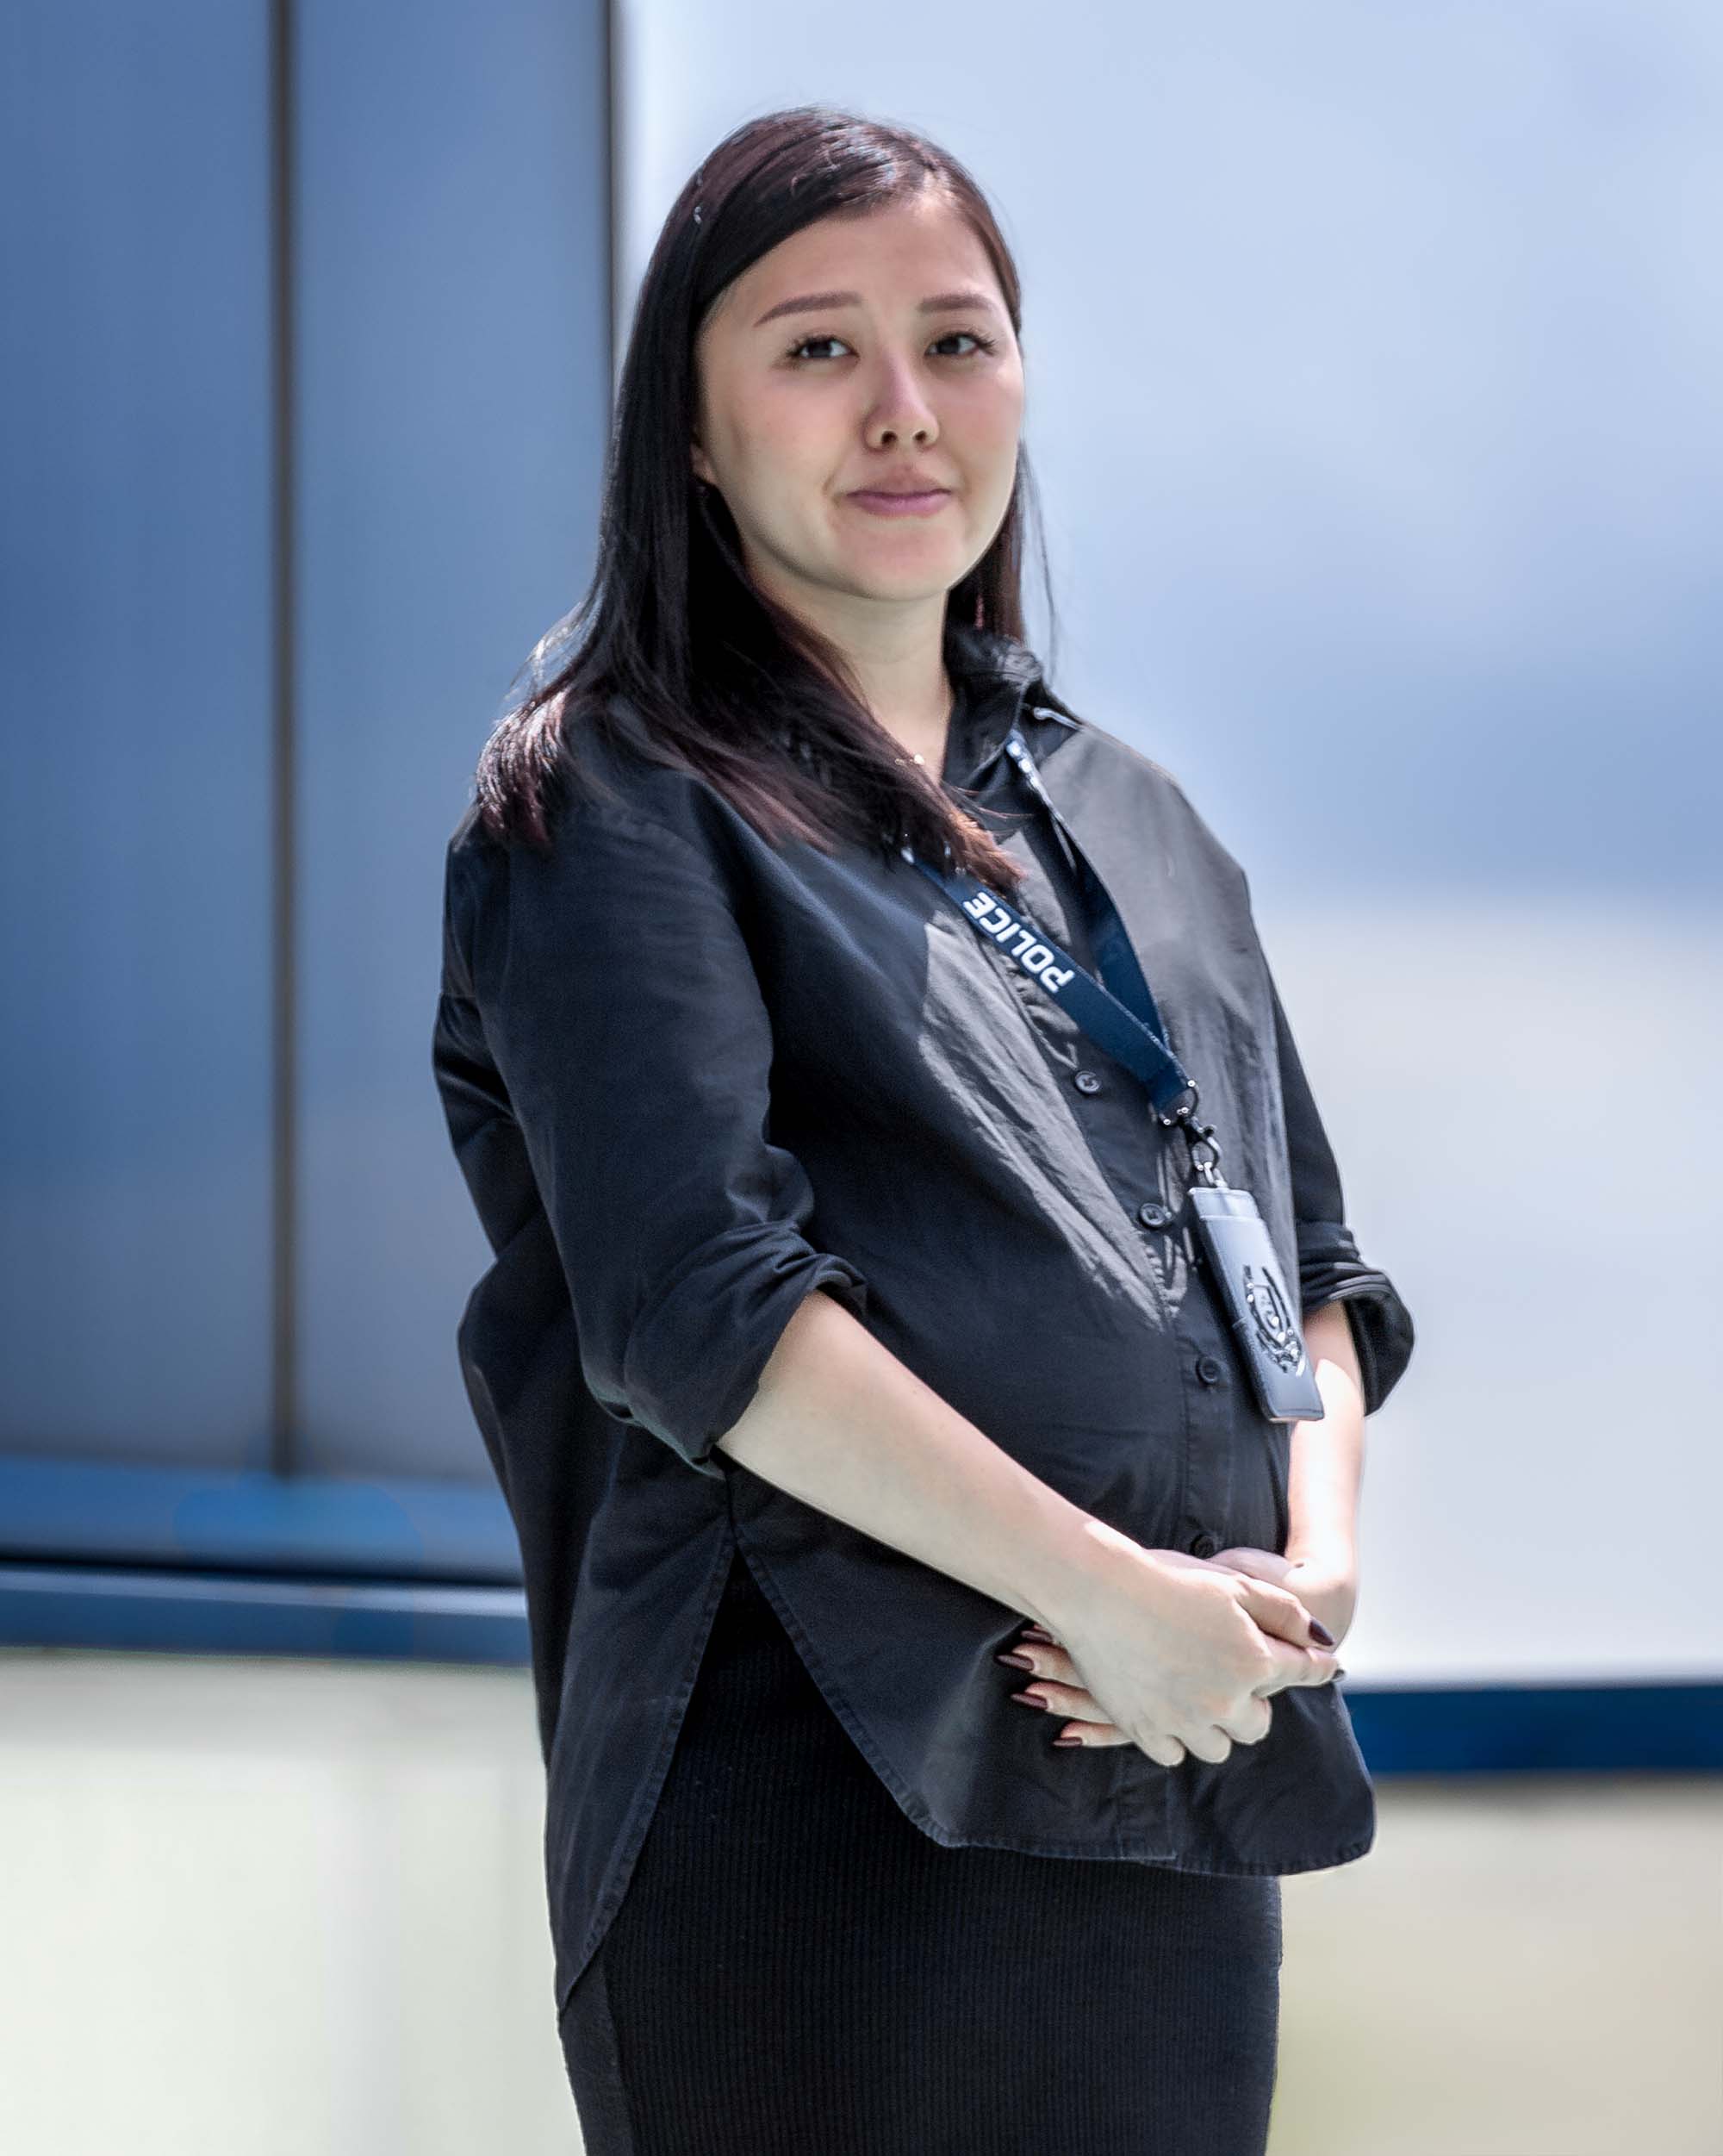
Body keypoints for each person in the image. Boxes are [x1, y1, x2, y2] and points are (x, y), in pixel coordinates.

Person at [432, 103, 1415, 2156]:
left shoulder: (1139, 821)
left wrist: (1292, 1583)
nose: (902, 412)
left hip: (1163, 1779)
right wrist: (1106, 1594)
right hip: (804, 1799)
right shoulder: (611, 793)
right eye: (816, 350)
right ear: (687, 433)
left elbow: (1305, 1269)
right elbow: (700, 1307)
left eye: (956, 343)